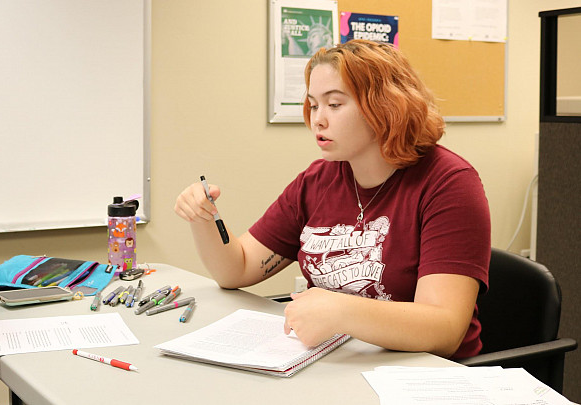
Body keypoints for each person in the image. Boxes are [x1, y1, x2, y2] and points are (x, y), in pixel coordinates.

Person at [175, 39, 491, 359]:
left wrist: (341, 311)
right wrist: (203, 218)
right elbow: (237, 270)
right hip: (340, 363)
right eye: (313, 105)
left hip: (426, 375)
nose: (318, 120)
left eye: (335, 104)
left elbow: (445, 329)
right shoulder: (317, 181)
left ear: (385, 105)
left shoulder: (449, 183)